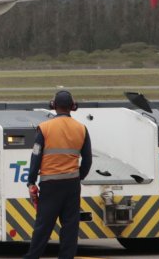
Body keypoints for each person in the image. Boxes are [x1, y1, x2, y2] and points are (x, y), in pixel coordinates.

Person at [24, 90, 92, 259]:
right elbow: (88, 160)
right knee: (70, 227)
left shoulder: (45, 128)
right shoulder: (81, 128)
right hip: (72, 185)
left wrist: (31, 180)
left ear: (53, 106)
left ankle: (32, 256)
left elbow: (36, 156)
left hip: (50, 184)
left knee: (43, 226)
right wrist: (79, 177)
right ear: (72, 107)